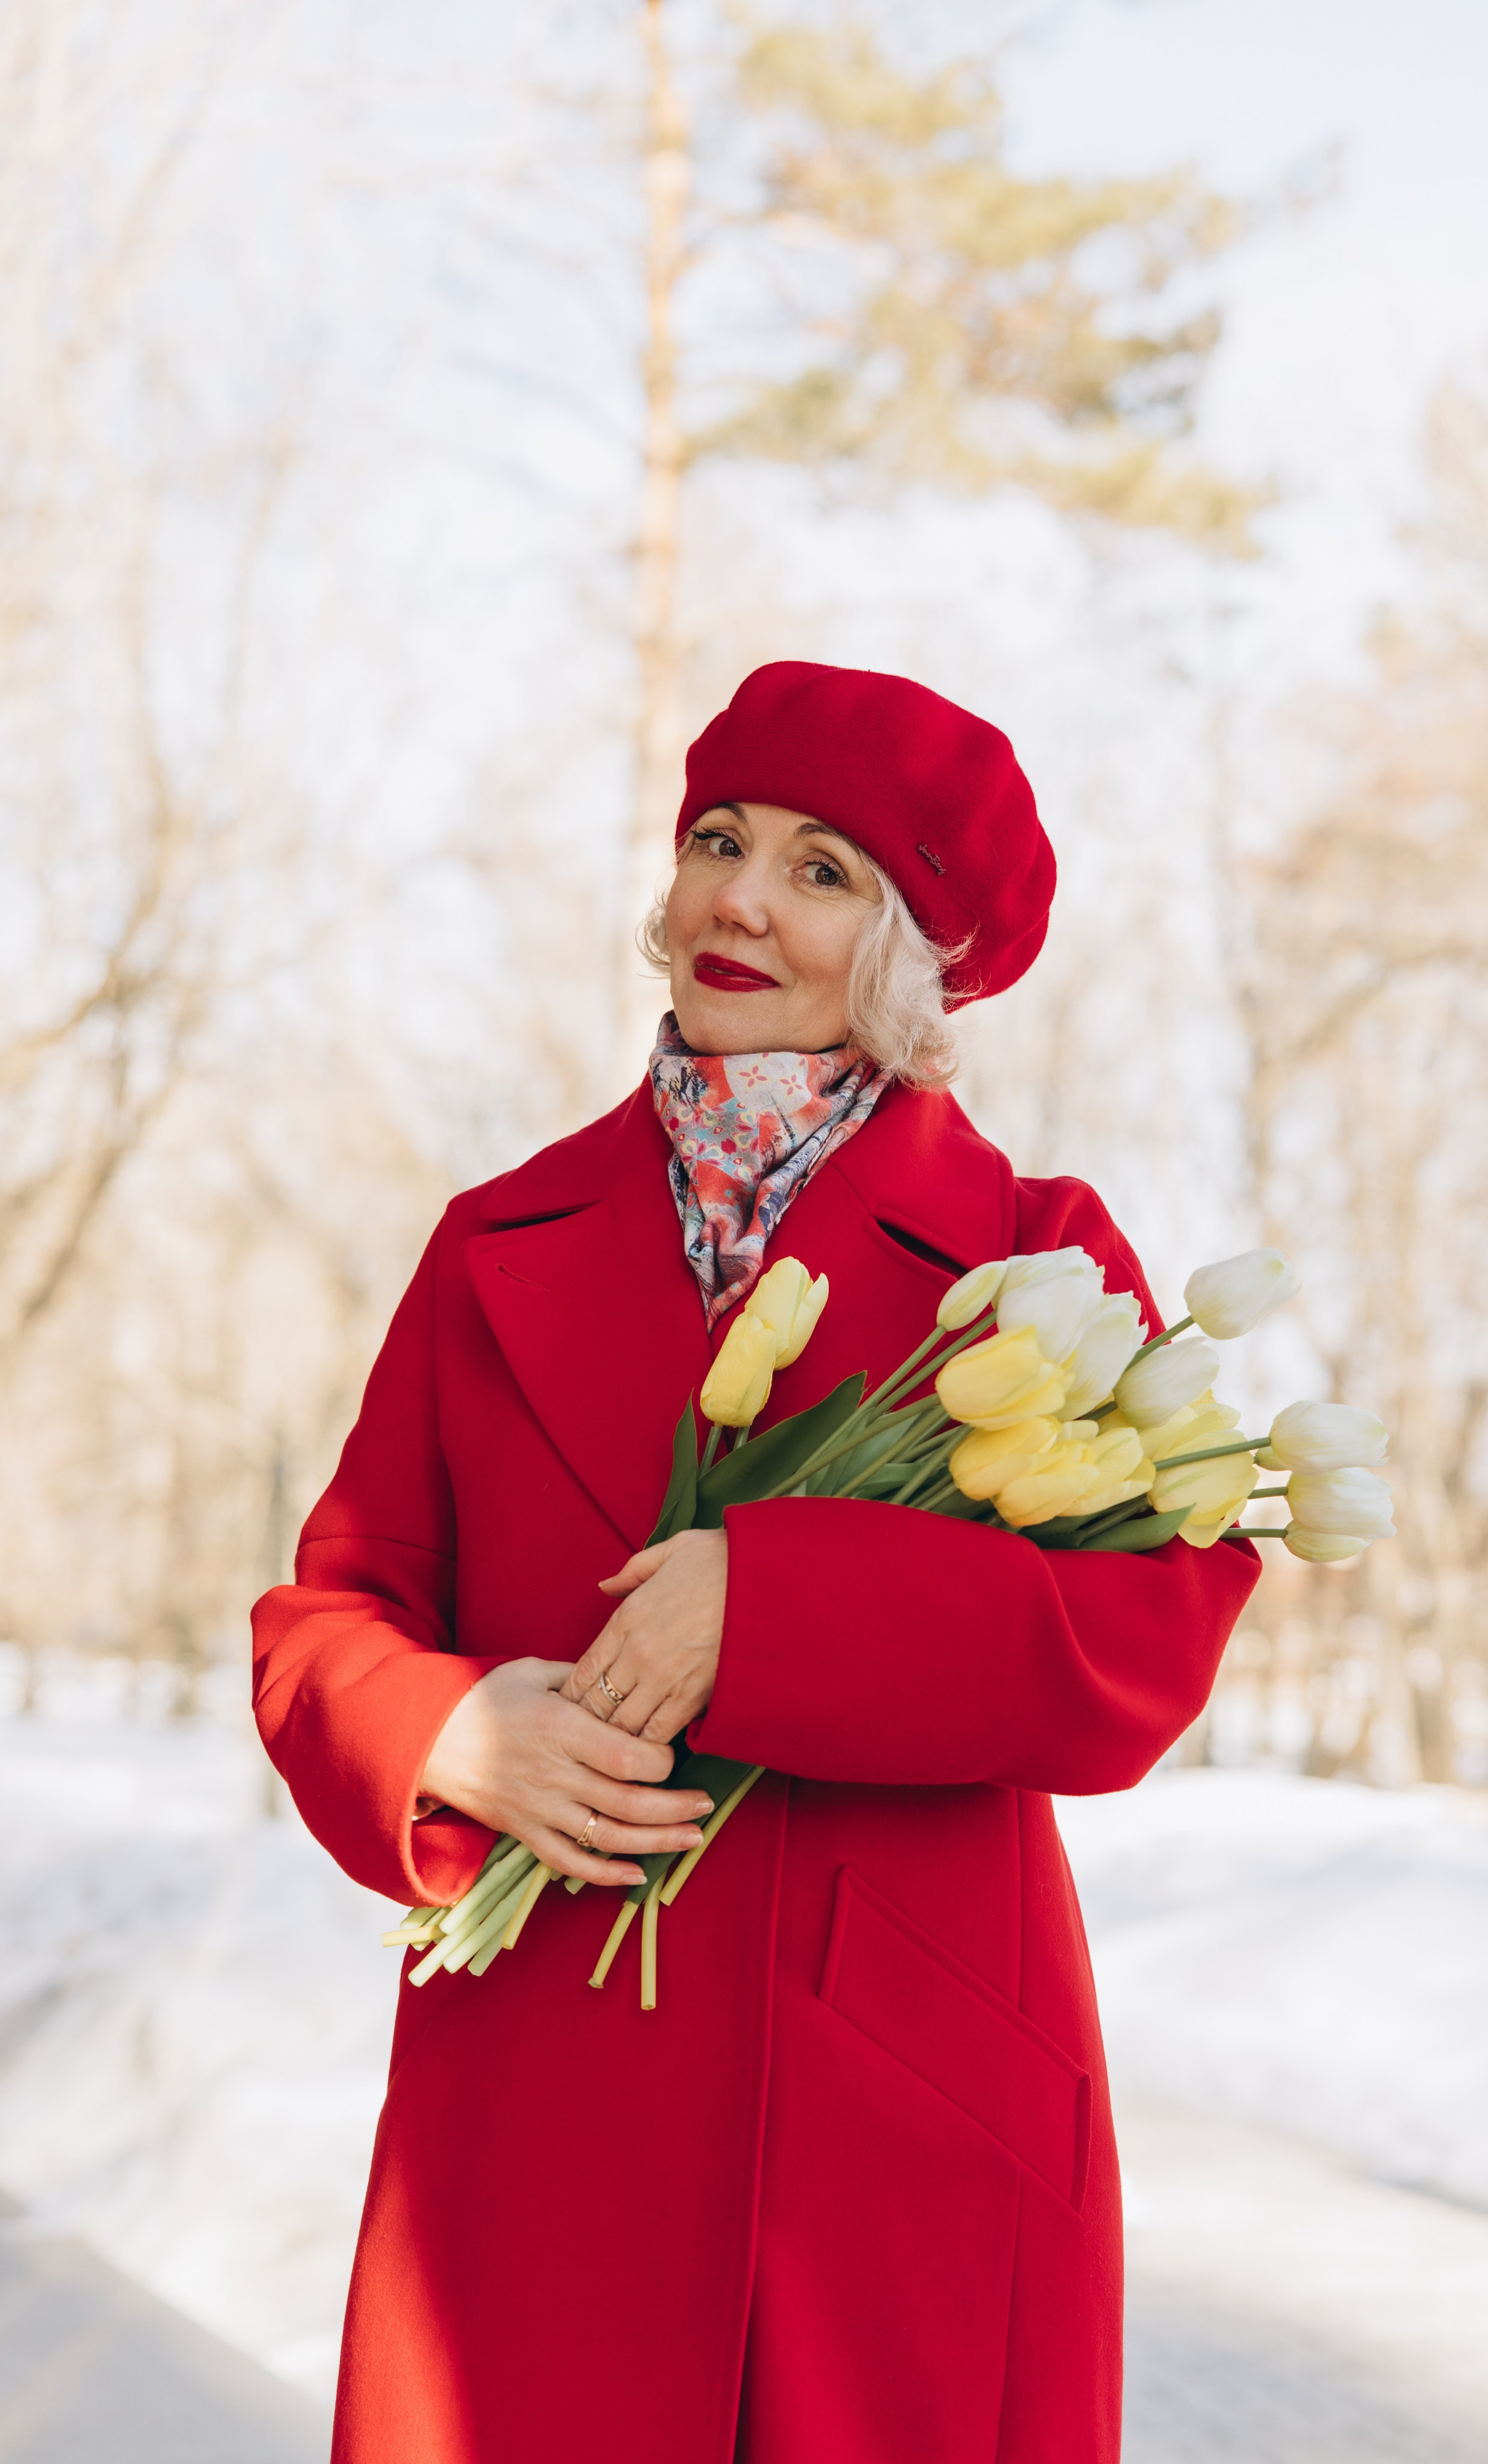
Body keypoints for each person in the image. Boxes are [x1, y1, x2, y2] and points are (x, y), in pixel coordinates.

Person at [252, 660, 1259, 2464]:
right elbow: (330, 1613)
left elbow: (1152, 1628)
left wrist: (777, 1608)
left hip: (905, 2112)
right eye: (721, 839)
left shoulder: (1030, 1259)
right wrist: (445, 1731)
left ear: (915, 950)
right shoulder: (494, 1243)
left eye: (822, 869)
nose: (738, 896)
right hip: (547, 2097)